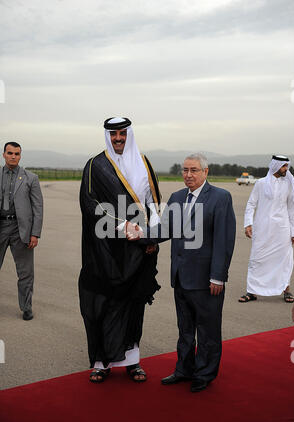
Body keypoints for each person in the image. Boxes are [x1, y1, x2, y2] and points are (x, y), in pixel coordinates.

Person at [126, 154, 236, 392]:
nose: (188, 175)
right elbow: (164, 229)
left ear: (205, 172)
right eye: (185, 170)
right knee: (185, 329)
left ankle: (204, 374)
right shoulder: (176, 197)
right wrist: (139, 233)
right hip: (181, 277)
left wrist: (218, 276)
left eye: (194, 170)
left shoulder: (220, 198)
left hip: (207, 280)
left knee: (207, 331)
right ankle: (184, 369)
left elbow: (224, 241)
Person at [79, 117, 161, 384]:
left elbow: (153, 203)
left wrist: (153, 237)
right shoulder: (95, 165)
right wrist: (122, 225)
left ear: (129, 134)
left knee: (134, 306)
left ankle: (132, 362)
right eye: (113, 134)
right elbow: (89, 204)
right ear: (107, 135)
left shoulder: (144, 163)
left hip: (138, 250)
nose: (118, 138)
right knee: (103, 304)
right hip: (105, 251)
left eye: (123, 133)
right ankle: (102, 363)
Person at [239, 155, 294, 304]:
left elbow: (292, 209)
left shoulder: (289, 184)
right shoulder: (260, 183)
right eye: (284, 166)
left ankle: (286, 289)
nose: (286, 169)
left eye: (287, 166)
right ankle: (251, 291)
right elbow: (251, 204)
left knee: (284, 260)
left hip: (282, 229)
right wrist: (248, 224)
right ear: (276, 166)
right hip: (262, 228)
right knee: (257, 259)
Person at [0, 142, 43, 320]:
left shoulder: (30, 178)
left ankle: (26, 307)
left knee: (25, 273)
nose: (13, 156)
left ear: (20, 156)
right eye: (10, 153)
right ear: (3, 154)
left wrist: (35, 233)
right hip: (1, 226)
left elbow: (38, 207)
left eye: (17, 154)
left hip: (21, 230)